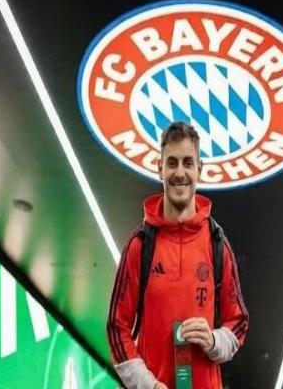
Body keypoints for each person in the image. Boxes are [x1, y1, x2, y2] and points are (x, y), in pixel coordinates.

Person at [107, 121, 249, 389]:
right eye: (172, 163)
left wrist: (214, 340)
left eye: (187, 163)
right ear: (159, 168)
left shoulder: (217, 244)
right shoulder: (139, 246)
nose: (180, 173)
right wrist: (148, 385)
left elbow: (238, 323)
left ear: (199, 169)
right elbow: (117, 328)